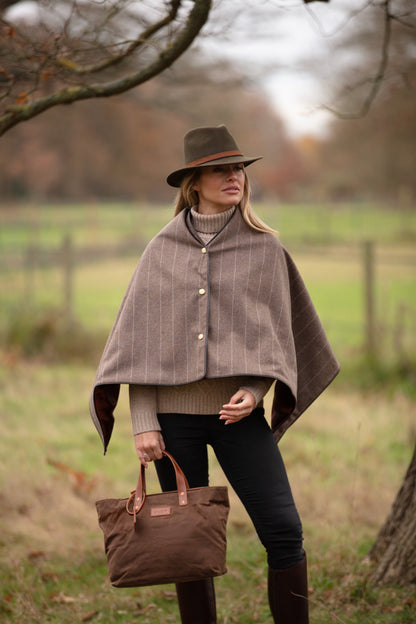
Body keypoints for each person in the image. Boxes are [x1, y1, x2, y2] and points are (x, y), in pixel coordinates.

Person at [90, 125, 340, 624]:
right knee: (188, 540)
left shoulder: (265, 249)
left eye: (239, 168)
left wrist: (253, 390)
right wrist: (144, 421)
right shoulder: (160, 250)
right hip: (170, 422)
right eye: (221, 169)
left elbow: (276, 337)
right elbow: (137, 344)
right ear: (194, 182)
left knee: (284, 530)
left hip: (238, 419)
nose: (234, 176)